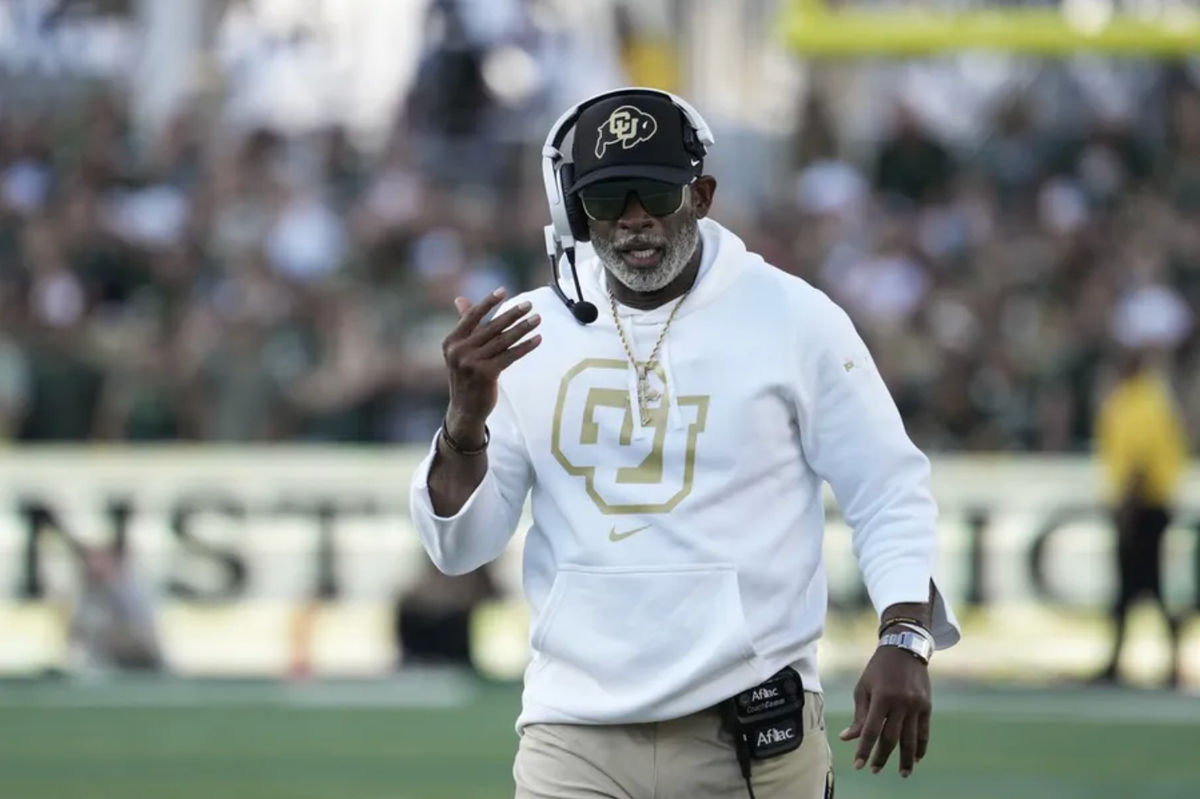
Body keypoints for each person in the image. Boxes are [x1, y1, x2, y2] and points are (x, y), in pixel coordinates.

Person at [409, 88, 960, 799]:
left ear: (701, 194)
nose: (634, 219)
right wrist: (463, 422)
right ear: (576, 212)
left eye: (657, 194)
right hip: (573, 729)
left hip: (752, 727)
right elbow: (460, 549)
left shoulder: (795, 317)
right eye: (608, 199)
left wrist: (904, 636)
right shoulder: (524, 334)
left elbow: (886, 488)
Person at [1093, 348, 1188, 688]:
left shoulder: (1141, 402)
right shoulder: (1147, 399)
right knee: (1143, 587)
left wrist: (1127, 508)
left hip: (1142, 507)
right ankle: (1150, 660)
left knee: (1141, 585)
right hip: (1147, 505)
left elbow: (1139, 459)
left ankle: (1129, 661)